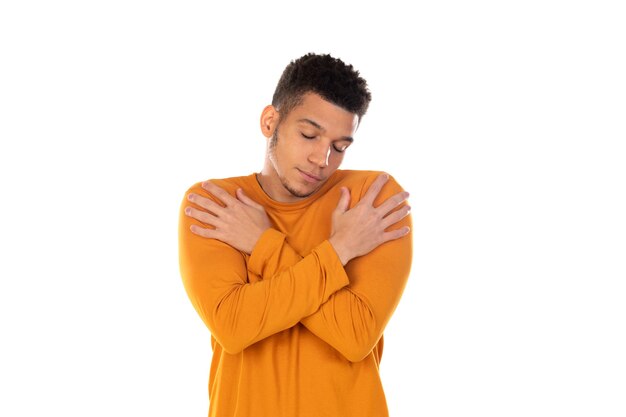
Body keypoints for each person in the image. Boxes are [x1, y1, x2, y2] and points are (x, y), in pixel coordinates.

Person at [178, 53, 413, 417]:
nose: (323, 159)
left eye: (340, 147)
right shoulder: (215, 203)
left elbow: (354, 336)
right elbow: (235, 326)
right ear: (270, 121)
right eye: (309, 135)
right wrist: (341, 250)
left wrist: (262, 244)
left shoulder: (371, 200)